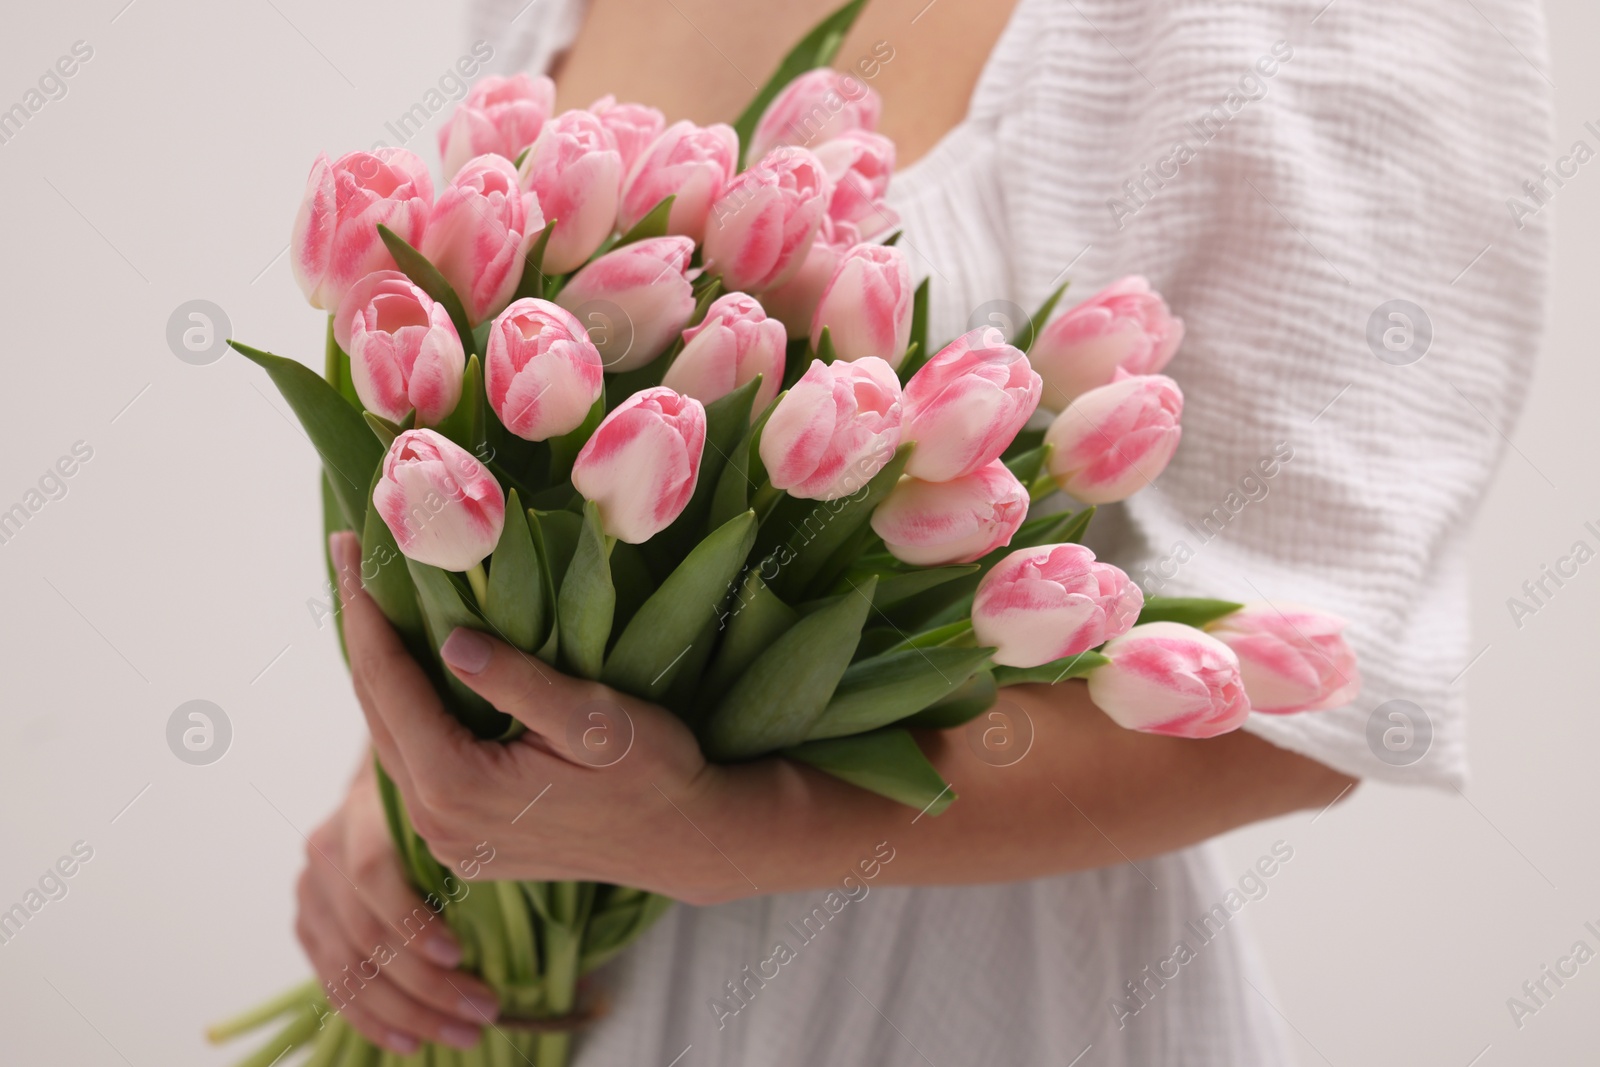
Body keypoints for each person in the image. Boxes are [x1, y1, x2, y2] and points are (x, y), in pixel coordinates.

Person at [294, 0, 1553, 1061]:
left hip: (957, 1010)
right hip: (556, 1005)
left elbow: (1318, 691)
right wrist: (413, 796)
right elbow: (504, 450)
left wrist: (757, 829)